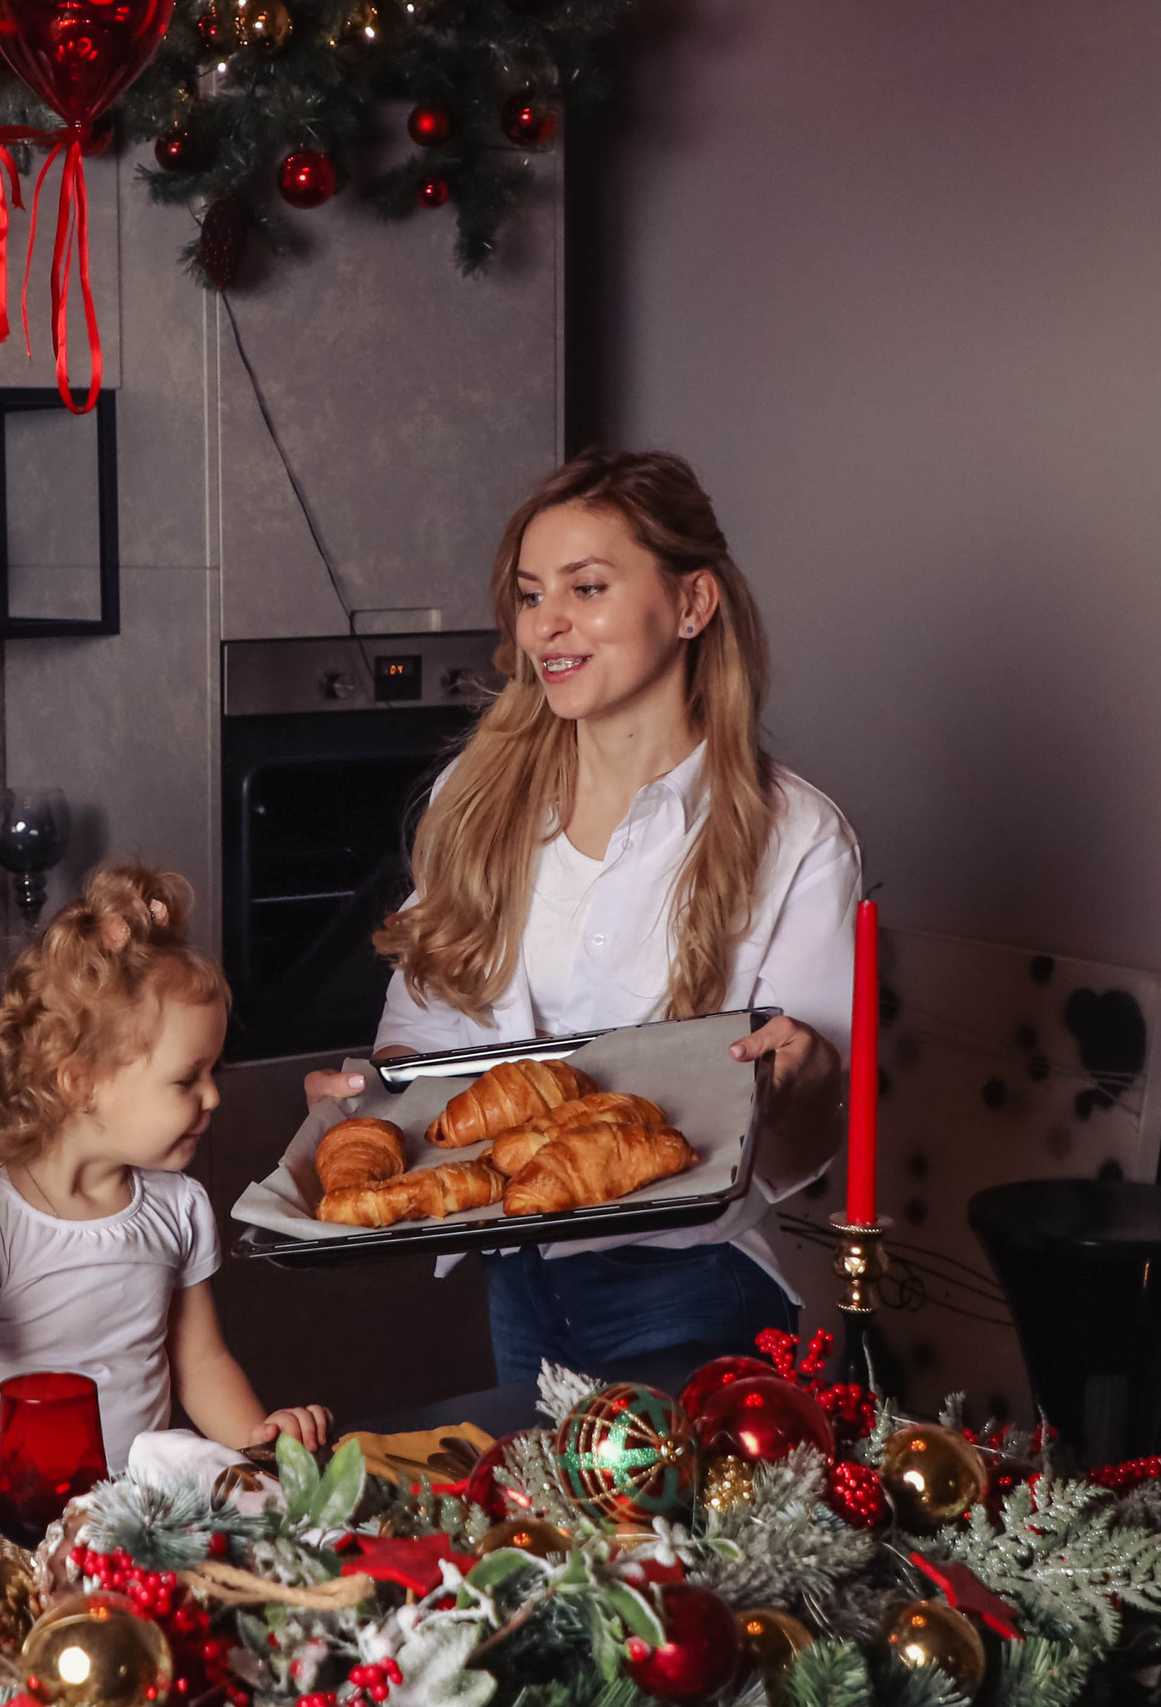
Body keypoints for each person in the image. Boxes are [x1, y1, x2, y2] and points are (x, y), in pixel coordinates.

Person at [306, 449, 861, 1382]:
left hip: (691, 1279)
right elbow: (424, 1045)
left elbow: (802, 1136)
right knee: (544, 1531)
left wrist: (805, 1074)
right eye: (529, 596)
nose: (546, 625)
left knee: (670, 1532)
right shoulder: (473, 800)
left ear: (692, 605)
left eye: (587, 587)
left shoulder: (796, 836)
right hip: (516, 1276)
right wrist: (374, 1095)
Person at [0, 866, 331, 1535]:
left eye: (213, 1071)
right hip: (18, 1531)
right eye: (188, 1077)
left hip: (145, 1527)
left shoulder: (177, 1207)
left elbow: (202, 1362)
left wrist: (259, 1448)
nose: (212, 1097)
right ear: (82, 1082)